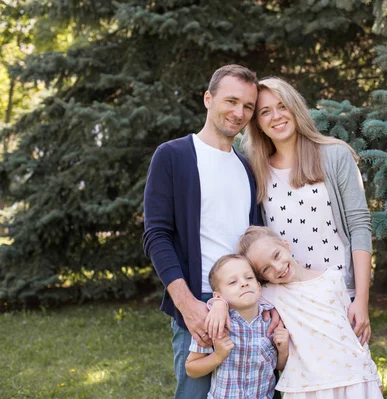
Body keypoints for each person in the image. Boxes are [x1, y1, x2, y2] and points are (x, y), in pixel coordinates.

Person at [142, 64, 263, 399]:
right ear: (208, 99)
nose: (239, 113)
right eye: (231, 101)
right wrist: (188, 305)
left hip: (248, 306)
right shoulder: (173, 156)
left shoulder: (247, 166)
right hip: (199, 305)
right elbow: (157, 235)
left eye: (248, 107)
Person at [244, 77, 373, 345]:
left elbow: (360, 227)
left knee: (351, 375)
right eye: (265, 112)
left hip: (339, 292)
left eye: (282, 106)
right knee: (300, 383)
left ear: (295, 108)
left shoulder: (335, 155)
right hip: (288, 298)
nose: (276, 117)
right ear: (257, 122)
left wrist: (361, 299)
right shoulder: (257, 170)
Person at [235, 226, 383, 398]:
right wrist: (218, 305)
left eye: (276, 255)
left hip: (354, 376)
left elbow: (355, 333)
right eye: (266, 269)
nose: (277, 267)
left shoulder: (332, 279)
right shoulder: (269, 293)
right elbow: (236, 296)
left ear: (286, 245)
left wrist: (373, 375)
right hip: (308, 384)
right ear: (262, 277)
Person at [186, 254, 289, 399]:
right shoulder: (214, 324)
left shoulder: (271, 322)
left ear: (259, 287)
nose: (244, 283)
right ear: (218, 296)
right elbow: (191, 369)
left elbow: (280, 367)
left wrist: (283, 349)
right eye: (233, 282)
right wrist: (218, 356)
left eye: (249, 278)